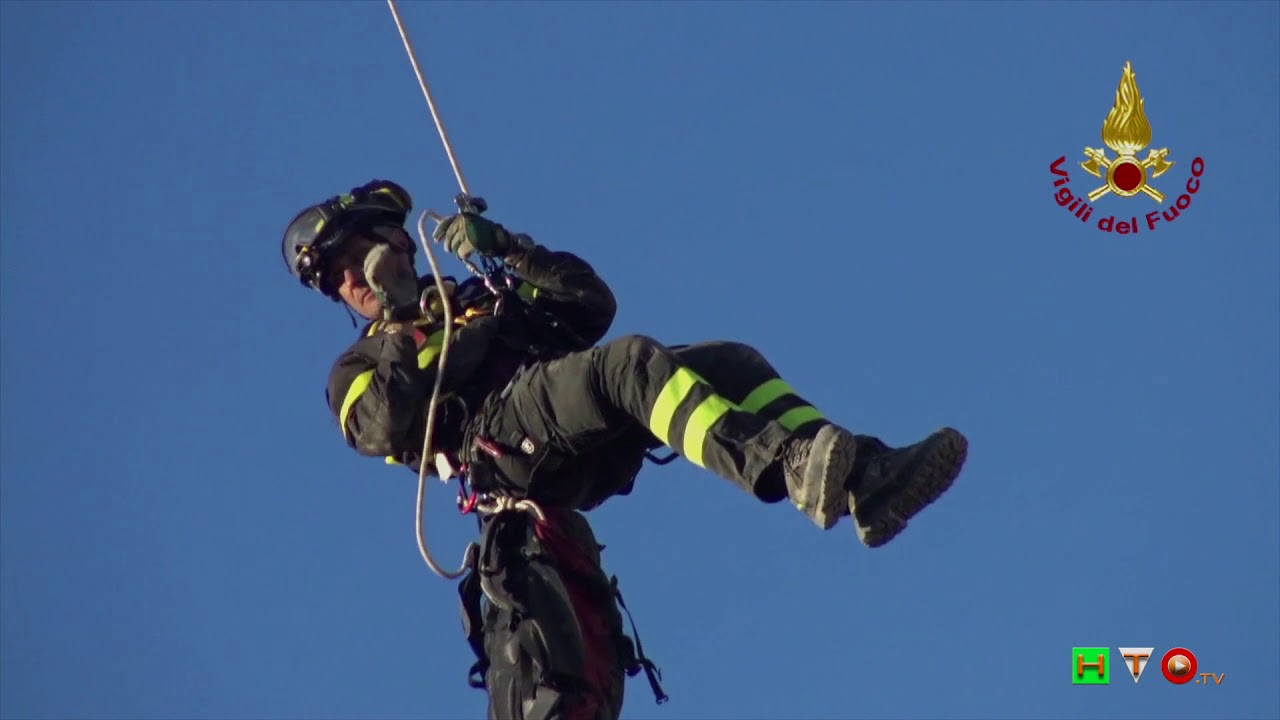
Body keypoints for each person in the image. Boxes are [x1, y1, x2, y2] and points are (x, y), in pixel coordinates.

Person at [281, 178, 969, 711]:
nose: (350, 280)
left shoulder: (480, 293)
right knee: (630, 362)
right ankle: (788, 469)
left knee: (724, 361)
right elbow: (380, 426)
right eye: (337, 276)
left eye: (355, 256)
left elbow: (589, 308)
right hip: (505, 448)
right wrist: (408, 324)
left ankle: (864, 481)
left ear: (398, 240)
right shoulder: (360, 365)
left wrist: (509, 252)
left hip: (576, 429)